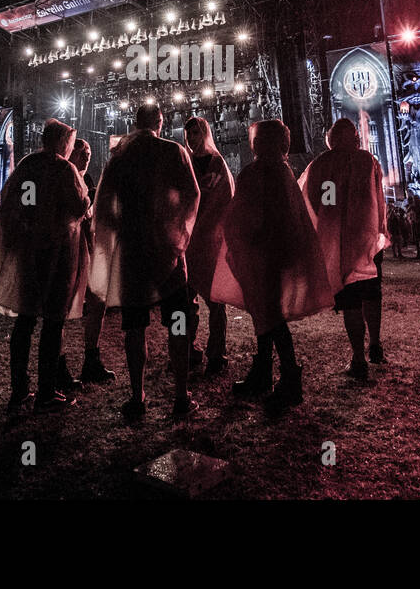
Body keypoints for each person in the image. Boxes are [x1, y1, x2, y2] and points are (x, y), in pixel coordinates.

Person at [211, 119, 338, 412]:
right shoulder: (281, 171)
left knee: (270, 316)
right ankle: (264, 371)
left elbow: (246, 215)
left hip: (260, 255)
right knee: (266, 314)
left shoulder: (259, 173)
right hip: (276, 255)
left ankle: (287, 377)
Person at [89, 103, 201, 422]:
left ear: (135, 123)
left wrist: (125, 228)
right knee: (177, 321)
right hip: (168, 253)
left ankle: (137, 397)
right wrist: (176, 232)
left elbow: (104, 209)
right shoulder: (173, 151)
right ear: (160, 123)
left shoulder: (120, 158)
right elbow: (192, 197)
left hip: (132, 254)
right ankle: (181, 395)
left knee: (134, 326)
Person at [0, 119, 92, 413]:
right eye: (69, 140)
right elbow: (79, 206)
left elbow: (13, 199)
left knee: (25, 321)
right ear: (62, 141)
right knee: (54, 322)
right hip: (57, 253)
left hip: (29, 253)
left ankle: (19, 390)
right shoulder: (63, 168)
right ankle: (46, 391)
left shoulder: (29, 164)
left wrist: (27, 227)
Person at [298, 118, 387, 380]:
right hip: (367, 240)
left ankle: (358, 356)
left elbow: (314, 200)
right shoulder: (367, 161)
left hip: (338, 242)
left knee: (350, 300)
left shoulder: (322, 165)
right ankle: (375, 346)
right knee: (372, 293)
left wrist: (327, 224)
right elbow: (378, 199)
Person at [183, 116, 236, 378]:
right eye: (188, 133)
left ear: (204, 133)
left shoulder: (217, 163)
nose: (192, 138)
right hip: (187, 242)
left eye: (196, 132)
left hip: (210, 241)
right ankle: (187, 348)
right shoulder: (186, 163)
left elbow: (225, 199)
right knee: (185, 302)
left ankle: (217, 352)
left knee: (215, 302)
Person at [69, 139, 114, 385]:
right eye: (81, 152)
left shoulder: (86, 180)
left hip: (88, 250)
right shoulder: (65, 176)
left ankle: (91, 358)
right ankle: (61, 367)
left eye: (88, 153)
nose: (86, 157)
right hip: (70, 251)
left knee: (98, 302)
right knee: (64, 310)